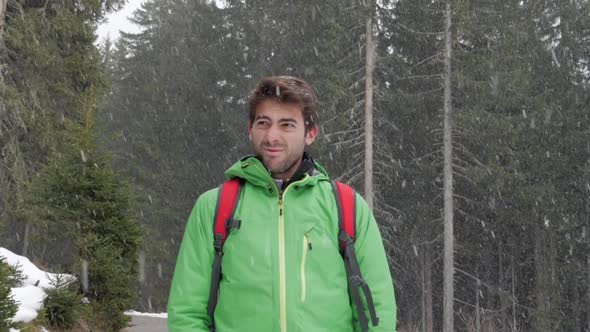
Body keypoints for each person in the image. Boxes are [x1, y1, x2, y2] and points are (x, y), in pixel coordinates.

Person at [167, 76, 396, 331]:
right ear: (250, 128)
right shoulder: (214, 207)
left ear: (310, 133)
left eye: (287, 125)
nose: (272, 136)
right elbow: (187, 313)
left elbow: (377, 313)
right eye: (263, 122)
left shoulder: (347, 207)